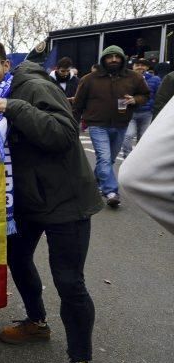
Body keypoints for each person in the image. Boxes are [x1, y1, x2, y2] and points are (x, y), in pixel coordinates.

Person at [0, 39, 102, 363]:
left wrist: (14, 107)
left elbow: (62, 133)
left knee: (69, 282)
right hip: (27, 201)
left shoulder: (31, 87)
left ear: (5, 64)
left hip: (66, 202)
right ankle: (37, 322)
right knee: (17, 258)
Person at [72, 46, 149, 208]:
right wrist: (73, 125)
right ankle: (111, 192)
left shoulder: (134, 77)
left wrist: (135, 100)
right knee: (105, 158)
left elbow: (145, 94)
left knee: (108, 160)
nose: (113, 59)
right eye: (109, 57)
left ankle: (92, 186)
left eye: (117, 57)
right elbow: (78, 104)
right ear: (103, 59)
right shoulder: (89, 79)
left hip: (121, 124)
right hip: (97, 125)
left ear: (122, 59)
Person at [119, 99, 174, 235]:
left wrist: (136, 99)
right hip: (119, 117)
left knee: (138, 140)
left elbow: (153, 96)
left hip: (145, 113)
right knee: (126, 139)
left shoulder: (149, 80)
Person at [120, 58, 160, 157]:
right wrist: (120, 112)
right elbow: (120, 94)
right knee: (128, 135)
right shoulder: (124, 79)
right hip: (130, 113)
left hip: (147, 113)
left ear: (147, 67)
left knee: (143, 138)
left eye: (143, 65)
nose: (140, 67)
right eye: (137, 65)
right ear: (133, 66)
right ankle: (127, 157)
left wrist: (153, 109)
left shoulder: (155, 79)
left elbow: (158, 96)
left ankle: (138, 158)